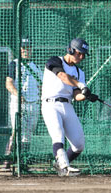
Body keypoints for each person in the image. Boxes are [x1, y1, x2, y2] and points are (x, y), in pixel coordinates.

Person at [41, 38, 98, 176]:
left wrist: (86, 95)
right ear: (71, 50)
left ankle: (61, 164)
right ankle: (65, 167)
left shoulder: (80, 73)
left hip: (67, 105)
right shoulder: (55, 61)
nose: (82, 57)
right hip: (51, 104)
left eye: (84, 54)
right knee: (58, 135)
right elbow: (63, 76)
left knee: (79, 145)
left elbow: (76, 95)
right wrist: (80, 85)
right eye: (79, 53)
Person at [4, 37, 43, 169]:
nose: (26, 50)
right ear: (20, 49)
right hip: (18, 104)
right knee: (16, 130)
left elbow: (41, 86)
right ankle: (8, 158)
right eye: (24, 47)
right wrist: (16, 93)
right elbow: (8, 83)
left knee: (28, 133)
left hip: (33, 104)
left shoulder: (36, 67)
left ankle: (23, 161)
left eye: (28, 47)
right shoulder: (14, 64)